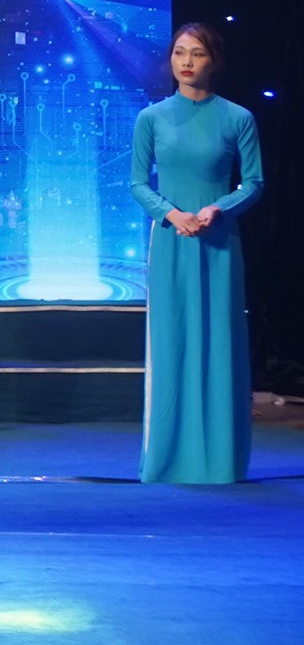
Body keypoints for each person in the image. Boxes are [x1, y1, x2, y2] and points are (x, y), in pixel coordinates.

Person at [132, 24, 266, 483]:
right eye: (179, 53)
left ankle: (220, 460)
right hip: (171, 242)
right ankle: (168, 457)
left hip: (219, 243)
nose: (186, 62)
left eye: (197, 54)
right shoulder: (151, 118)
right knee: (172, 341)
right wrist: (171, 214)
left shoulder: (237, 118)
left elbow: (254, 183)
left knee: (220, 343)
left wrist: (217, 209)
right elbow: (137, 184)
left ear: (214, 61)